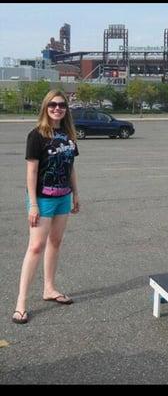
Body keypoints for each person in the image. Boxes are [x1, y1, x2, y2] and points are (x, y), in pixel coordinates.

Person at [12, 90, 80, 324]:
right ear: (45, 107)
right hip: (42, 199)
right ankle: (21, 302)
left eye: (61, 105)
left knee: (56, 242)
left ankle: (49, 289)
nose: (57, 108)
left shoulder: (69, 135)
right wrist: (33, 204)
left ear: (66, 109)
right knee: (36, 247)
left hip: (63, 197)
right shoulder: (37, 135)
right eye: (52, 105)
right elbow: (31, 172)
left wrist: (76, 194)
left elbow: (70, 167)